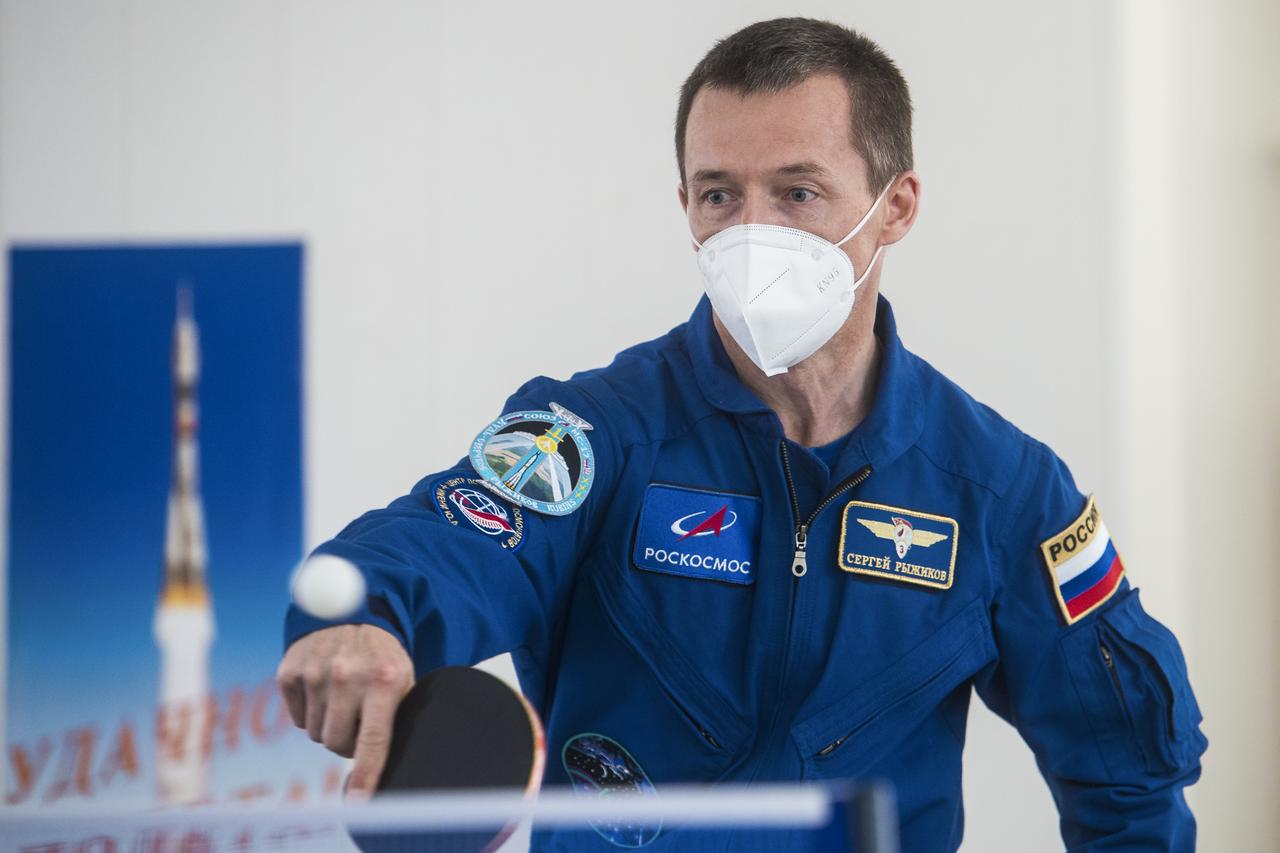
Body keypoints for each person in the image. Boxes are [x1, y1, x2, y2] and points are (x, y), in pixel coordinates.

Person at [276, 17, 1205, 851]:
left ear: (898, 206)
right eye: (718, 195)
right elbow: (456, 538)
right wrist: (363, 617)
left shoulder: (1001, 490)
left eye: (798, 192)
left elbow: (1129, 770)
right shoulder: (599, 432)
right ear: (683, 201)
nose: (750, 232)